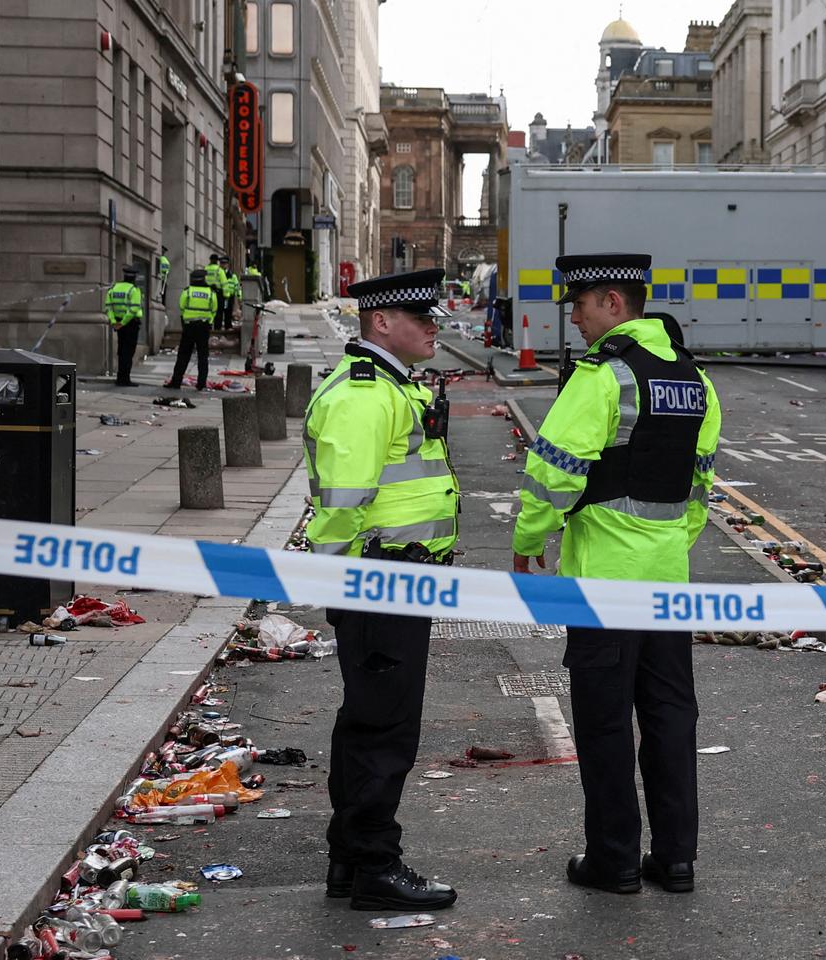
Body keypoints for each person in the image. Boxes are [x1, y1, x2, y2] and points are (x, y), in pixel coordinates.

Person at [511, 252, 721, 897]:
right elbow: (700, 484)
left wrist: (528, 538)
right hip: (667, 578)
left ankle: (614, 861)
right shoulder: (695, 379)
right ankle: (676, 859)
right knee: (669, 717)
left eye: (578, 305)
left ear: (612, 302)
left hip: (603, 580)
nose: (572, 319)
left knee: (604, 725)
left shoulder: (602, 376)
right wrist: (669, 545)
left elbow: (553, 467)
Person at [303, 268, 460, 912]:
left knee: (367, 720)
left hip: (393, 577)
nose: (433, 327)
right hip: (381, 579)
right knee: (384, 728)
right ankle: (374, 865)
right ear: (379, 322)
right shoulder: (367, 394)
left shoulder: (388, 387)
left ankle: (351, 859)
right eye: (420, 317)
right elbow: (341, 503)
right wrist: (341, 578)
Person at [165, 268, 217, 390]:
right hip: (203, 327)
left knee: (183, 355)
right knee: (203, 356)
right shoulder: (210, 293)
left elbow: (181, 306)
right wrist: (209, 321)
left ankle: (176, 382)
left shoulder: (187, 291)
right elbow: (214, 309)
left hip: (189, 327)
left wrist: (186, 320)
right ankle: (201, 384)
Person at [104, 266, 144, 387]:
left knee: (121, 351)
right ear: (135, 277)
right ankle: (124, 379)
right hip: (130, 323)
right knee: (128, 352)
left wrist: (114, 322)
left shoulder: (114, 288)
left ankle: (120, 377)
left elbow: (108, 307)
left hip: (118, 323)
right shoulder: (134, 290)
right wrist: (123, 323)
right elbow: (134, 309)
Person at [205, 254, 227, 330]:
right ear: (217, 261)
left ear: (210, 260)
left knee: (208, 310)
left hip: (207, 292)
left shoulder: (205, 269)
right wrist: (226, 295)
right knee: (218, 312)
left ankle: (209, 326)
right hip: (218, 293)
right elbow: (224, 283)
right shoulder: (219, 270)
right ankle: (217, 329)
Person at [222, 256, 241, 330]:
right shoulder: (219, 273)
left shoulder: (232, 276)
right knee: (219, 312)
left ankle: (228, 325)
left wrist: (239, 296)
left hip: (230, 296)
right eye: (222, 263)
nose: (223, 265)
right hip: (221, 295)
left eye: (224, 263)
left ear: (227, 264)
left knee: (228, 312)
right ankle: (219, 326)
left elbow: (237, 287)